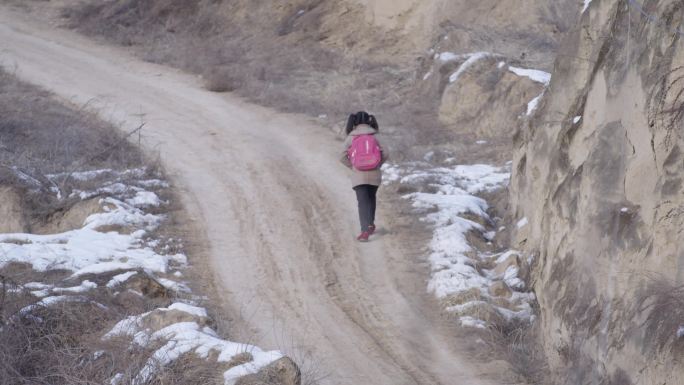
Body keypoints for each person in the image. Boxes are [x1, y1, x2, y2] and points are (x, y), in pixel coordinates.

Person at [340, 111, 388, 242]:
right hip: (374, 173)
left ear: (354, 122)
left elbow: (342, 156)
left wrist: (353, 166)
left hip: (358, 175)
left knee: (362, 202)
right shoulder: (375, 135)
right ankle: (370, 224)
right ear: (369, 120)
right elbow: (386, 153)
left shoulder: (351, 137)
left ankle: (364, 231)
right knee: (371, 198)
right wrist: (377, 164)